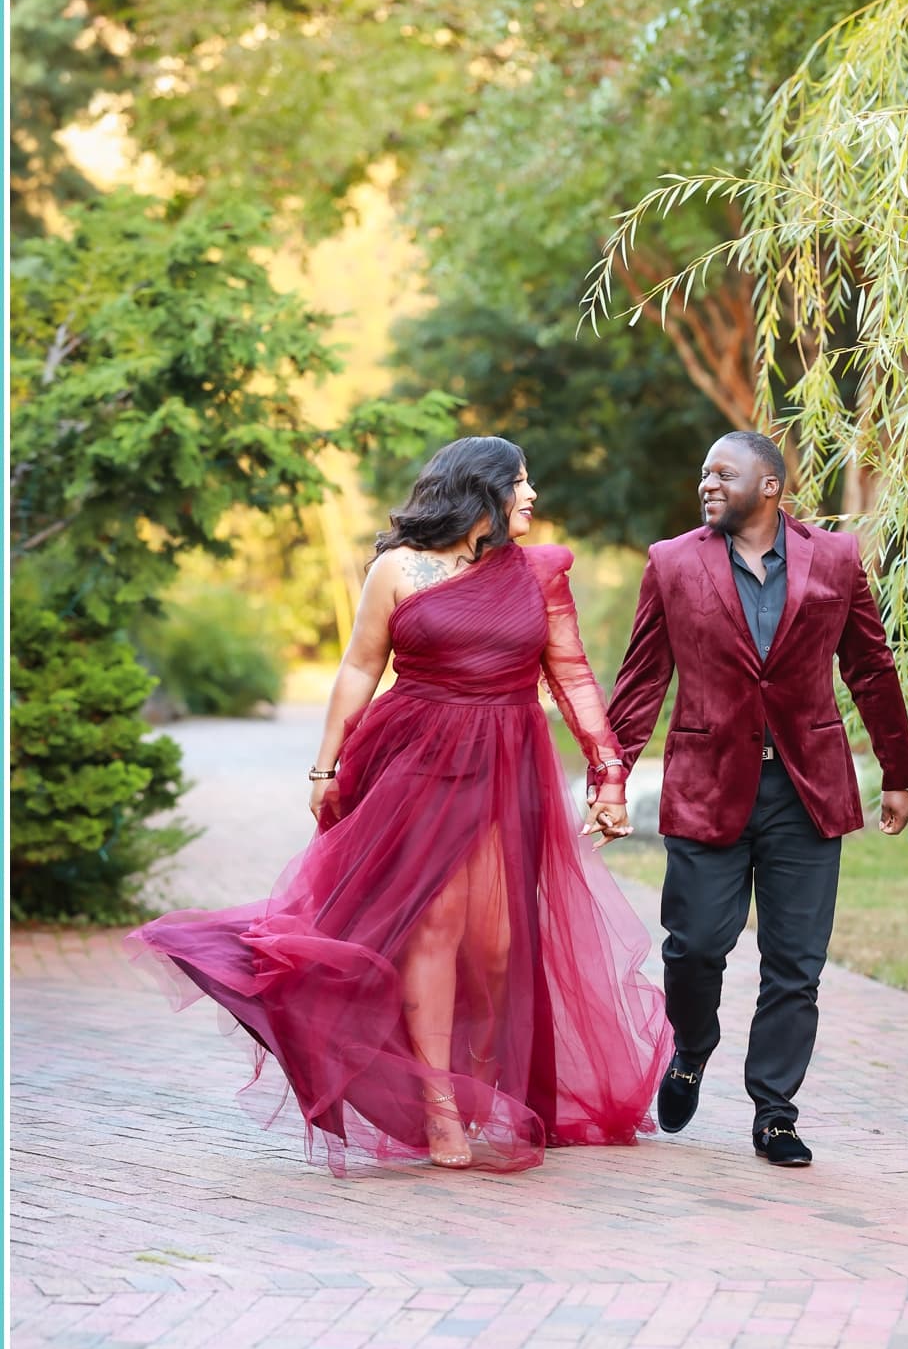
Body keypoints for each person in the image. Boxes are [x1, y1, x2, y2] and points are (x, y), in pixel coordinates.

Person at [128, 437, 669, 1176]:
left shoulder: (538, 572)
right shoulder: (396, 569)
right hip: (416, 761)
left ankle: (477, 1086)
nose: (532, 493)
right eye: (520, 481)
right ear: (480, 492)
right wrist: (326, 761)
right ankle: (442, 1107)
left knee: (498, 944)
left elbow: (572, 677)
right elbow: (359, 664)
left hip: (507, 764)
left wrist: (609, 774)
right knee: (434, 928)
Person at [595, 430, 908, 1167]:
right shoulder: (672, 563)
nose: (706, 481)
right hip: (707, 787)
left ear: (769, 485)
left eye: (723, 471)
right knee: (697, 945)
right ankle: (691, 1048)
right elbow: (643, 678)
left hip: (806, 790)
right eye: (704, 470)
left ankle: (775, 1113)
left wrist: (897, 771)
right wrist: (609, 776)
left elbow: (870, 665)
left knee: (795, 965)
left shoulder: (835, 558)